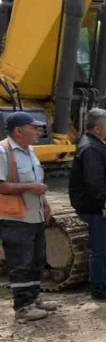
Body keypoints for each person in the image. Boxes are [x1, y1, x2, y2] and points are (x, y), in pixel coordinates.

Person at [0, 112, 56, 322]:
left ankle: (34, 298)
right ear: (19, 131)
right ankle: (23, 307)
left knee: (36, 259)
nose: (38, 131)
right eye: (33, 128)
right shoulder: (3, 151)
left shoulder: (30, 151)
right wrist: (31, 187)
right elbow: (2, 185)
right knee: (21, 261)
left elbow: (37, 183)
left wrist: (45, 203)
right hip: (15, 217)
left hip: (35, 215)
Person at [69, 108, 106, 301]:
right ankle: (99, 287)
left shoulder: (99, 144)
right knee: (100, 249)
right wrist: (105, 206)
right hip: (97, 208)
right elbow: (94, 182)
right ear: (98, 128)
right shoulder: (91, 148)